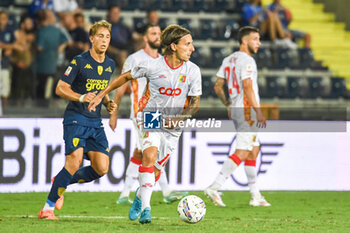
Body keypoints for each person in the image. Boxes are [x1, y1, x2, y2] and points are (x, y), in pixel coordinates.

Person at [88, 24, 201, 224]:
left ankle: (140, 196)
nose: (192, 48)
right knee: (148, 156)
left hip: (175, 124)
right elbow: (123, 78)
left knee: (157, 169)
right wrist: (102, 95)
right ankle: (147, 210)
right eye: (188, 44)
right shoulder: (153, 65)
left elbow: (194, 103)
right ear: (173, 46)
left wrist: (181, 118)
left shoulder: (193, 70)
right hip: (151, 115)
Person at [38, 20, 117, 220]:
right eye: (100, 36)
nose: (104, 40)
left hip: (95, 121)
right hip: (76, 118)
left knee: (102, 168)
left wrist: (107, 103)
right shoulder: (79, 61)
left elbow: (102, 88)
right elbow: (60, 88)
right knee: (74, 161)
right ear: (91, 38)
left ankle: (61, 181)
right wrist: (81, 97)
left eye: (107, 37)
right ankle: (47, 208)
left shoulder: (110, 64)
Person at [109, 24, 188, 205]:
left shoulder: (163, 59)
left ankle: (124, 194)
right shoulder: (134, 59)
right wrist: (114, 113)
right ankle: (166, 191)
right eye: (153, 33)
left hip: (159, 112)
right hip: (141, 112)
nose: (157, 36)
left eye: (159, 33)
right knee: (154, 150)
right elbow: (122, 85)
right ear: (145, 38)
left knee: (142, 151)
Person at [205, 26, 270, 207]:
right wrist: (258, 112)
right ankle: (214, 187)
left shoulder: (228, 59)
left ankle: (255, 195)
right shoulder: (248, 61)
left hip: (236, 107)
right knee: (242, 151)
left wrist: (228, 103)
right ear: (244, 40)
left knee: (253, 150)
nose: (259, 43)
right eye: (255, 39)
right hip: (247, 110)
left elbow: (218, 86)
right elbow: (247, 86)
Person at [34, 9, 69, 106]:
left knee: (41, 89)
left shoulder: (41, 31)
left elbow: (39, 47)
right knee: (48, 89)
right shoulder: (56, 30)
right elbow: (66, 41)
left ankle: (41, 110)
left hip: (41, 65)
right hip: (52, 65)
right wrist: (58, 50)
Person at [106, 4, 134, 71]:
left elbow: (134, 37)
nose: (116, 15)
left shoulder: (124, 26)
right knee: (122, 56)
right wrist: (118, 52)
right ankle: (126, 80)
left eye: (117, 13)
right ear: (109, 13)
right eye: (114, 13)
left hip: (126, 50)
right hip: (112, 52)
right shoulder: (105, 27)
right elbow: (105, 45)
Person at [0, 10, 16, 108]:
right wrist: (8, 47)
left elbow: (15, 43)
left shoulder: (9, 30)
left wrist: (10, 48)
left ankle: (4, 112)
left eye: (4, 19)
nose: (2, 21)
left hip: (5, 63)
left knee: (5, 86)